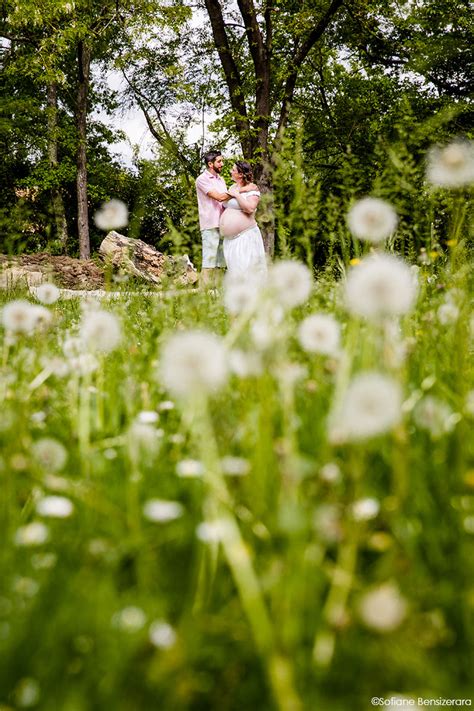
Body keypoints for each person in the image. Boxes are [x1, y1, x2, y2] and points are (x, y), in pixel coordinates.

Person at [219, 161, 267, 278]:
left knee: (247, 271)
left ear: (240, 174)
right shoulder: (232, 187)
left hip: (245, 237)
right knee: (235, 272)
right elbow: (223, 201)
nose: (230, 171)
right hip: (230, 240)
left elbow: (250, 209)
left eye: (233, 170)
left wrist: (237, 195)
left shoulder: (252, 188)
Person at [195, 150, 229, 286]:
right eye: (219, 161)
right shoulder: (202, 179)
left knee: (221, 262)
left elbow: (225, 202)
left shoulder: (221, 180)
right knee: (209, 261)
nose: (222, 164)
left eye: (222, 161)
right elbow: (219, 197)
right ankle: (203, 296)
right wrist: (238, 191)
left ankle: (217, 295)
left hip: (223, 224)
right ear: (210, 164)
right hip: (210, 224)